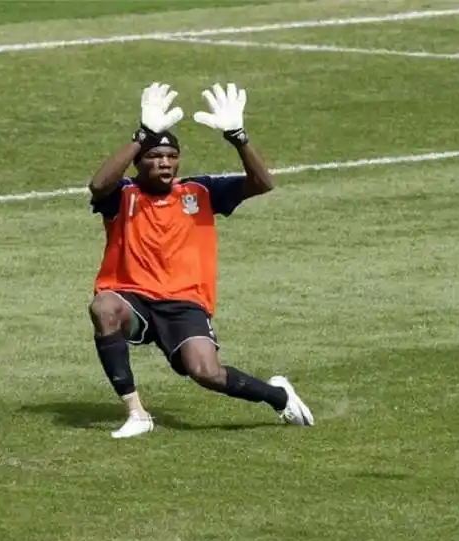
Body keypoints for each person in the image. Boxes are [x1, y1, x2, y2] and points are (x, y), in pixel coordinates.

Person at [88, 82, 313, 439]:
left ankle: (278, 395)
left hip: (185, 303)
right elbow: (98, 185)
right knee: (104, 308)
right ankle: (137, 413)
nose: (164, 163)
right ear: (138, 162)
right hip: (133, 298)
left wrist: (239, 137)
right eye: (154, 156)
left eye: (170, 156)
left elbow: (263, 183)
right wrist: (141, 133)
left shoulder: (200, 191)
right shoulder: (123, 194)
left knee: (206, 372)